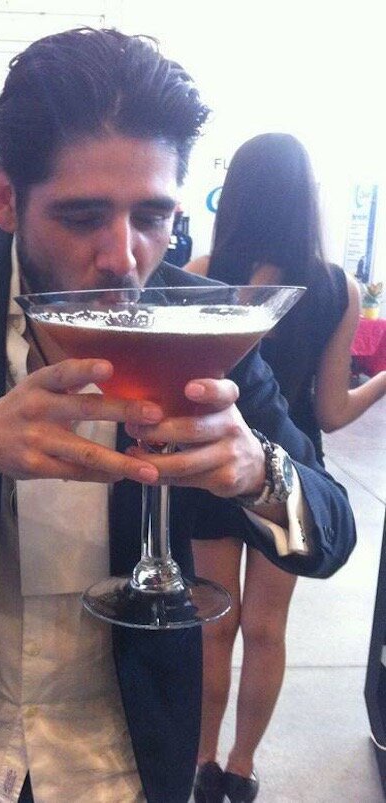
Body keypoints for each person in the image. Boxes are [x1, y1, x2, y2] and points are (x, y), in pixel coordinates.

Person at [0, 32, 355, 803]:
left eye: (152, 215)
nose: (125, 256)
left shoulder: (199, 316)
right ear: (4, 196)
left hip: (128, 758)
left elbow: (331, 530)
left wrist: (259, 471)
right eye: (83, 215)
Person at [186, 132, 384, 803]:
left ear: (235, 195)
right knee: (267, 631)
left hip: (212, 462)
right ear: (307, 197)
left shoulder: (206, 270)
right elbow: (330, 411)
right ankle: (242, 769)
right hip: (293, 476)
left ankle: (200, 762)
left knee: (213, 625)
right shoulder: (335, 288)